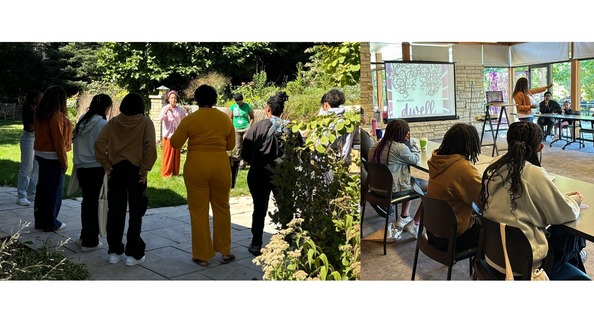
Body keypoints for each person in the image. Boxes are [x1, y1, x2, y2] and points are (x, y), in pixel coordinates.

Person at [478, 121, 587, 278]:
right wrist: (575, 200)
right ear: (540, 148)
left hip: (494, 257)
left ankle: (573, 258)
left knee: (567, 242)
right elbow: (564, 212)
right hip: (524, 265)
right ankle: (574, 258)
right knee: (572, 233)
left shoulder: (494, 166)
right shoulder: (534, 174)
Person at [170, 85, 236, 266]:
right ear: (214, 99)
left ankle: (202, 255)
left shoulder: (191, 119)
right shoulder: (224, 119)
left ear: (197, 99)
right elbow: (230, 146)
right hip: (220, 167)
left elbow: (175, 143)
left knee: (198, 211)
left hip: (196, 167)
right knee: (222, 208)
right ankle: (225, 252)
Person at [94, 93, 157, 266]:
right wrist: (144, 169)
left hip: (116, 170)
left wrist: (106, 163)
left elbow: (99, 143)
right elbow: (150, 147)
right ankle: (133, 254)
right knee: (136, 214)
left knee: (115, 212)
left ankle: (114, 251)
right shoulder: (145, 123)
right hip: (136, 171)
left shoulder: (113, 122)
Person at [241, 91, 299, 256]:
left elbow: (245, 152)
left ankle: (256, 244)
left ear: (267, 109)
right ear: (282, 111)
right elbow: (300, 154)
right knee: (285, 207)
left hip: (259, 173)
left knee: (259, 208)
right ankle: (287, 242)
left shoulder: (258, 127)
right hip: (283, 175)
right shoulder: (291, 129)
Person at [367, 119, 427, 240]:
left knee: (410, 179)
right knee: (430, 186)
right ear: (403, 134)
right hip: (392, 191)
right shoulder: (400, 148)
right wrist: (412, 143)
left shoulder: (375, 145)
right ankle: (414, 223)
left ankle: (404, 216)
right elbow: (415, 159)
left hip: (374, 188)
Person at [427, 123, 482, 250]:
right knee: (495, 232)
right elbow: (484, 201)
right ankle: (482, 268)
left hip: (433, 231)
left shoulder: (437, 161)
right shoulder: (463, 169)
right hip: (452, 238)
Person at [73, 94, 112, 252]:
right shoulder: (102, 124)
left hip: (81, 167)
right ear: (105, 107)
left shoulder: (83, 119)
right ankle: (90, 241)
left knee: (87, 203)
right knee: (95, 204)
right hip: (96, 168)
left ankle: (85, 236)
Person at [33, 86, 72, 232]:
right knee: (53, 192)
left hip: (41, 154)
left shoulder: (40, 113)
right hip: (53, 157)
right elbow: (58, 141)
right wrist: (64, 161)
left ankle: (40, 221)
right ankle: (50, 223)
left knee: (42, 189)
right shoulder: (56, 116)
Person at [16, 89, 42, 206]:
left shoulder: (36, 108)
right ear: (34, 99)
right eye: (40, 97)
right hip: (29, 138)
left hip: (37, 138)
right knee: (27, 167)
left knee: (36, 166)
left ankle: (32, 193)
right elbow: (30, 127)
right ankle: (21, 195)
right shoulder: (28, 108)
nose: (42, 99)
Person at [317, 88, 353, 164]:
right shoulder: (347, 120)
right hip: (343, 160)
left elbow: (318, 144)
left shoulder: (325, 121)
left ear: (325, 104)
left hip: (325, 161)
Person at [158, 90, 187, 177]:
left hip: (177, 136)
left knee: (176, 155)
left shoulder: (179, 110)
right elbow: (161, 118)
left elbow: (184, 119)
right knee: (168, 155)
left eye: (175, 98)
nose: (174, 99)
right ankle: (166, 173)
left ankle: (175, 173)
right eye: (172, 98)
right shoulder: (165, 108)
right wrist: (167, 110)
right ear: (169, 99)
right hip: (168, 136)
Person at [229, 93, 254, 169]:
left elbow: (252, 117)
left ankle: (246, 161)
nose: (239, 103)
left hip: (246, 128)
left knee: (246, 144)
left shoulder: (247, 106)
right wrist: (232, 126)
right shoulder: (233, 107)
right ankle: (239, 162)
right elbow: (230, 118)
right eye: (237, 102)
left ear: (242, 100)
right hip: (237, 129)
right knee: (238, 146)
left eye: (240, 102)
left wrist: (250, 127)